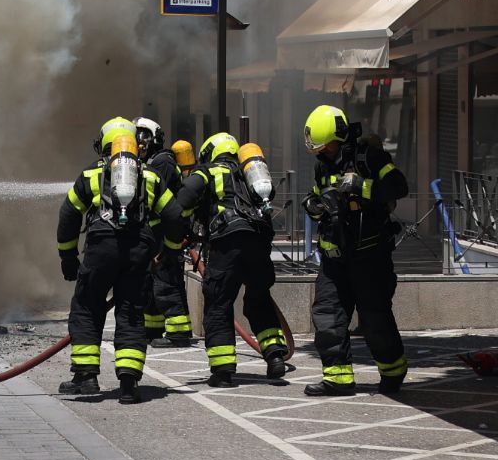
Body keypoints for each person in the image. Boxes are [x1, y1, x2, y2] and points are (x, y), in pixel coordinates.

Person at [57, 116, 186, 404]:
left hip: (100, 249)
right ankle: (129, 383)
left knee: (87, 307)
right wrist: (170, 249)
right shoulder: (150, 175)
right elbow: (175, 215)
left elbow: (68, 214)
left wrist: (68, 256)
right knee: (131, 313)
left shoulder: (91, 174)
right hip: (138, 250)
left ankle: (86, 377)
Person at [302, 105, 409, 396]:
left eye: (326, 147)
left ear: (339, 138)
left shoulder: (370, 157)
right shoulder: (322, 165)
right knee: (328, 316)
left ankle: (393, 372)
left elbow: (398, 187)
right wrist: (313, 205)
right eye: (318, 149)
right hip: (334, 256)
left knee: (374, 318)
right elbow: (316, 196)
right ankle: (337, 379)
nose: (322, 153)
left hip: (369, 255)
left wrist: (362, 186)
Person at [175, 132, 289, 388]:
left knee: (218, 304)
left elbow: (182, 202)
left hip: (228, 244)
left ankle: (223, 371)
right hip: (259, 243)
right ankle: (275, 356)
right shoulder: (247, 174)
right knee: (258, 300)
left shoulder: (207, 172)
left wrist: (177, 231)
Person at [134, 118, 193, 348]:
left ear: (153, 138)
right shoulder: (151, 162)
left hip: (164, 233)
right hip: (154, 233)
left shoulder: (163, 162)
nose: (139, 142)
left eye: (142, 136)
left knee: (166, 282)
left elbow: (157, 199)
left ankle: (179, 333)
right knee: (151, 283)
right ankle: (153, 328)